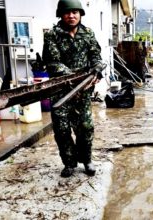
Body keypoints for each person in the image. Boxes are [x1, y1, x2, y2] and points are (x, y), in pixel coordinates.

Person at [42, 0, 103, 177]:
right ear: (61, 15)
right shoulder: (52, 35)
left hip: (82, 92)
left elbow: (95, 57)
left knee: (85, 127)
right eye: (67, 12)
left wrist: (97, 71)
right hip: (60, 91)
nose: (71, 15)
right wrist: (74, 77)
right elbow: (52, 62)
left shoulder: (88, 33)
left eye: (75, 12)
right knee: (62, 130)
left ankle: (87, 160)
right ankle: (69, 163)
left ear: (80, 14)